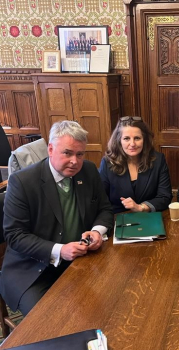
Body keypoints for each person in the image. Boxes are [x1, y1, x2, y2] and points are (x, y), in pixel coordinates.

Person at [1, 121, 113, 316]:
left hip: (79, 261)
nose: (75, 161)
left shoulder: (88, 171)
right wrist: (59, 250)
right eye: (67, 153)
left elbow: (105, 209)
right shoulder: (23, 182)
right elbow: (15, 235)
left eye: (80, 154)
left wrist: (96, 231)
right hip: (34, 270)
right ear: (50, 149)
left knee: (106, 303)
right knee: (49, 322)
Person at [99, 116, 172, 214]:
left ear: (144, 140)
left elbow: (165, 197)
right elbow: (101, 200)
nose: (132, 144)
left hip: (149, 216)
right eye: (126, 138)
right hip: (118, 218)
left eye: (137, 138)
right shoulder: (107, 163)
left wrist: (141, 207)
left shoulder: (158, 160)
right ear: (119, 141)